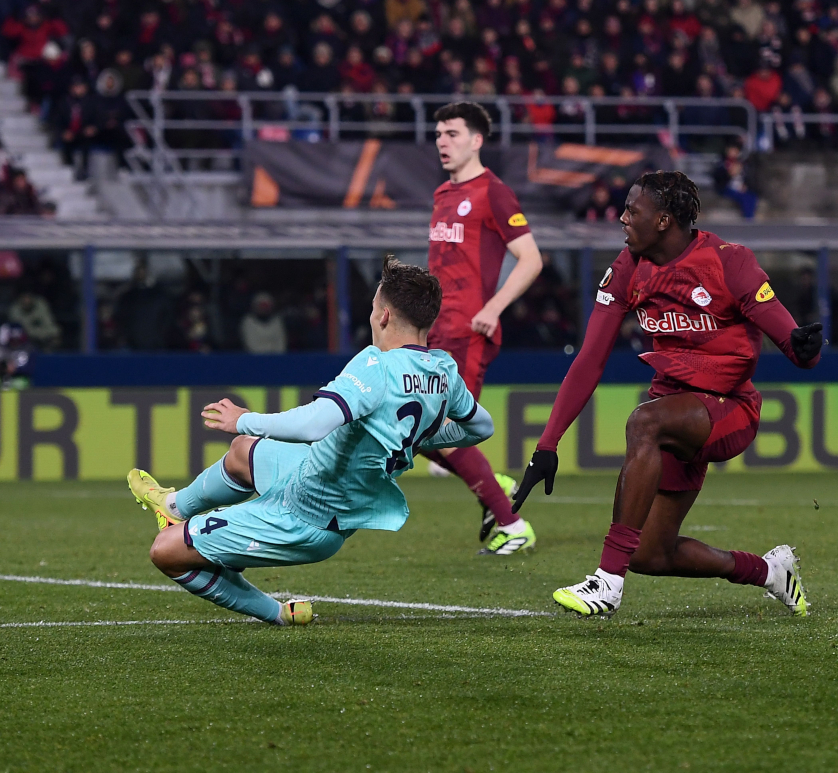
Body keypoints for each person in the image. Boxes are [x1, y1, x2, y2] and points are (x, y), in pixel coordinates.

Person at [512, 171, 821, 618]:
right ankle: (769, 571)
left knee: (644, 421)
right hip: (677, 411)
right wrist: (546, 445)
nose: (621, 218)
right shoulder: (627, 269)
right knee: (650, 554)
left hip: (730, 409)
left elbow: (795, 345)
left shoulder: (730, 262)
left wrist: (808, 350)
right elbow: (589, 361)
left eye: (631, 210)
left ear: (662, 221)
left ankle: (607, 582)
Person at [127, 256, 495, 625]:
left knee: (166, 552)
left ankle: (278, 613)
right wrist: (418, 438)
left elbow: (313, 425)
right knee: (242, 453)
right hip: (313, 477)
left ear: (383, 316)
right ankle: (173, 506)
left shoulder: (376, 365)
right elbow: (482, 427)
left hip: (305, 517)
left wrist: (244, 419)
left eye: (372, 308)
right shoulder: (443, 371)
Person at [420, 102, 544, 555]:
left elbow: (531, 258)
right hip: (434, 333)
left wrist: (493, 307)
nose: (442, 142)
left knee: (442, 431)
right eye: (438, 134)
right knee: (417, 433)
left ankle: (513, 525)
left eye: (452, 133)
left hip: (469, 330)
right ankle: (497, 485)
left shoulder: (494, 192)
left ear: (477, 140)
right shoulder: (442, 195)